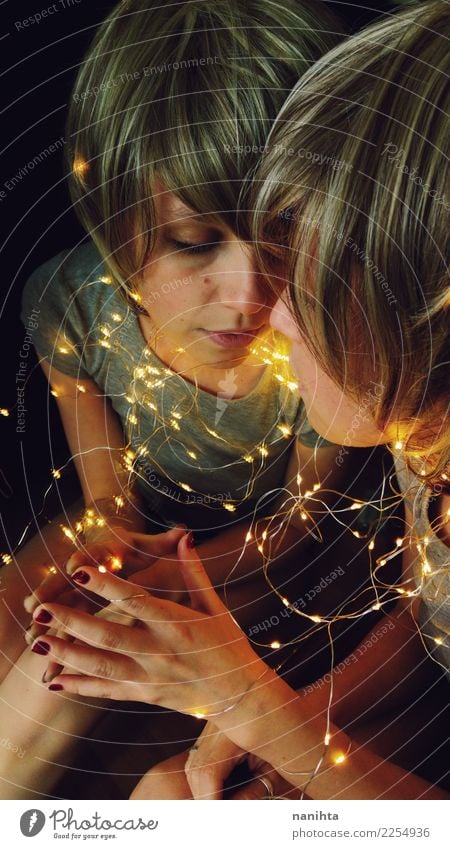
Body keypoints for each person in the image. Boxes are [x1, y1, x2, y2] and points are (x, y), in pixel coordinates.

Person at [32, 0, 449, 800]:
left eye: (305, 258)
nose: (268, 307)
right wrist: (274, 722)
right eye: (198, 241)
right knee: (171, 792)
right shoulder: (415, 437)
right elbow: (429, 623)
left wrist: (257, 707)